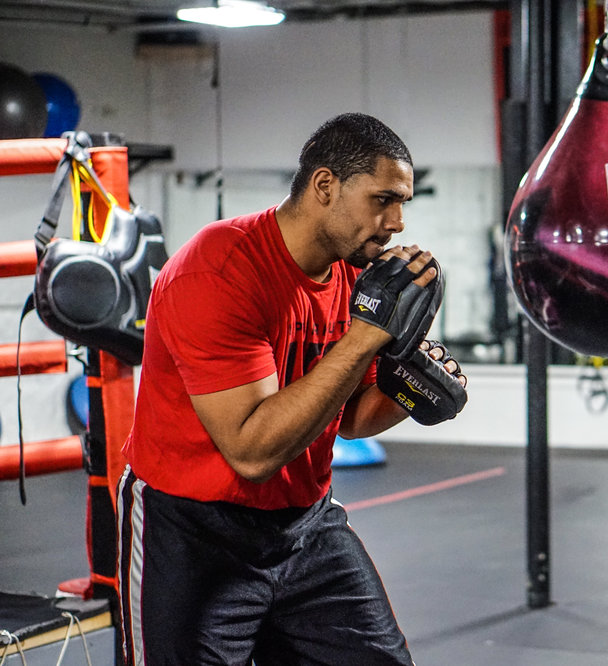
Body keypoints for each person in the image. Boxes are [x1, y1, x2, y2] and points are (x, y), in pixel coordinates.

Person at [116, 113, 466, 665]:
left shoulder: (355, 273)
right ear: (325, 186)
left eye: (403, 203)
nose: (396, 222)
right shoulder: (218, 272)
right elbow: (252, 451)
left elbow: (349, 419)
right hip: (193, 531)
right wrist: (366, 337)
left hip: (305, 525)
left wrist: (411, 392)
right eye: (383, 199)